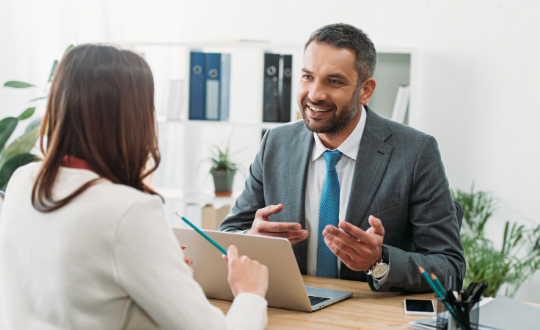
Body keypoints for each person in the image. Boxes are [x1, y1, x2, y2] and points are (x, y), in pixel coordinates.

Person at [0, 44, 268, 330]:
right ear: (135, 117)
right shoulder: (128, 210)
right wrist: (250, 293)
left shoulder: (23, 180)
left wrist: (163, 267)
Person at [220, 23, 465, 293]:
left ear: (365, 90)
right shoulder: (275, 143)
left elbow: (450, 266)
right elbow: (228, 234)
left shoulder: (416, 151)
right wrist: (251, 239)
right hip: (292, 309)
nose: (314, 94)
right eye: (307, 77)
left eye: (333, 81)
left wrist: (379, 261)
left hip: (369, 317)